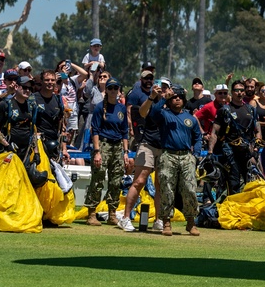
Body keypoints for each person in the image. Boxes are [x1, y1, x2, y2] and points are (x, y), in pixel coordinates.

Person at [141, 85, 201, 236]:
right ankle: (166, 221)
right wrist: (164, 99)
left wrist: (197, 154)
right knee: (167, 188)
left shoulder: (189, 118)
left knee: (189, 188)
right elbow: (152, 113)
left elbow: (197, 137)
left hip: (187, 155)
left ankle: (191, 222)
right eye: (175, 97)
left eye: (180, 97)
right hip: (168, 154)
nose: (177, 99)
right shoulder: (164, 114)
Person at [119, 70, 163, 232]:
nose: (149, 81)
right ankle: (125, 217)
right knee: (139, 181)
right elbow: (142, 113)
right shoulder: (145, 98)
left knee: (160, 184)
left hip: (163, 146)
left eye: (152, 79)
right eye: (147, 79)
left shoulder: (168, 101)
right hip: (148, 144)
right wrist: (152, 97)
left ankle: (159, 220)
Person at [85, 78, 132, 227]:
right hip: (103, 145)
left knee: (116, 180)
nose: (113, 91)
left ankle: (112, 212)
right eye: (110, 88)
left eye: (115, 88)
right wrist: (97, 151)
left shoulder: (121, 108)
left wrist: (126, 152)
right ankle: (91, 213)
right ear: (107, 90)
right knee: (98, 178)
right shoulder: (100, 107)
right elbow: (95, 130)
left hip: (118, 146)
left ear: (118, 90)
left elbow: (125, 131)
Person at [208, 79, 262, 195]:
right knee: (233, 183)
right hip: (230, 152)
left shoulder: (251, 110)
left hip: (247, 151)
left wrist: (256, 148)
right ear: (232, 93)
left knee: (251, 184)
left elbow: (257, 130)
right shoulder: (224, 110)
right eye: (236, 90)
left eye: (242, 90)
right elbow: (214, 132)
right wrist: (210, 151)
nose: (239, 93)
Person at [0, 74, 37, 162]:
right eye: (25, 87)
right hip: (6, 151)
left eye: (30, 88)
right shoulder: (5, 104)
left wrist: (36, 152)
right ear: (16, 87)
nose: (27, 90)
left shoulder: (31, 107)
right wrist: (6, 145)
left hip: (25, 152)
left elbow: (33, 130)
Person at [31, 70, 68, 164]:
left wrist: (64, 149)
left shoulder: (58, 100)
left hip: (54, 144)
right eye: (47, 80)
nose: (50, 82)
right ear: (42, 82)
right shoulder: (32, 98)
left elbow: (62, 127)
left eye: (52, 80)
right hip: (37, 144)